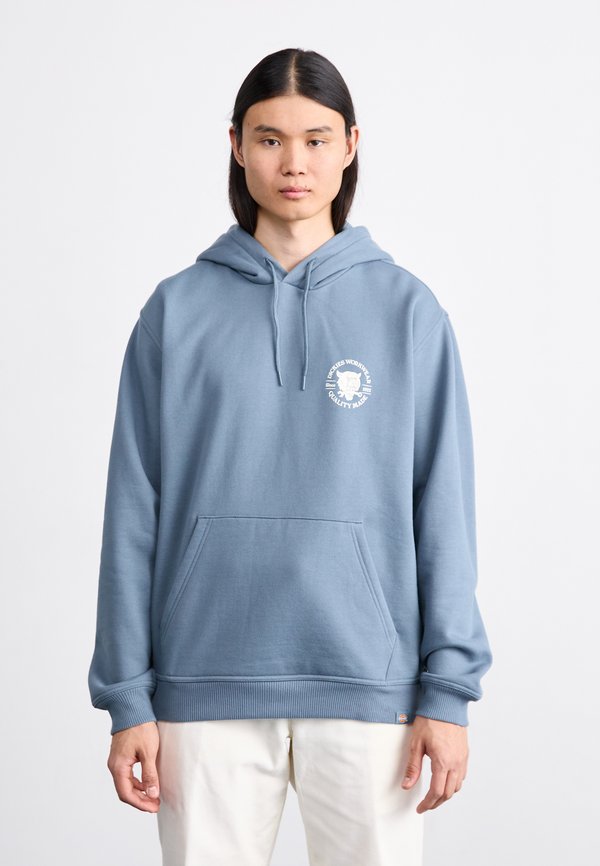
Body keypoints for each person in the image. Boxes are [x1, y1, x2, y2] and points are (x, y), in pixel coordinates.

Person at [88, 47, 493, 866]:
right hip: (203, 688)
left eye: (315, 139)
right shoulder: (176, 312)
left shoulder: (408, 313)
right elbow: (133, 511)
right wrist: (127, 696)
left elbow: (443, 510)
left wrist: (447, 692)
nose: (294, 163)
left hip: (371, 688)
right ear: (237, 147)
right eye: (271, 139)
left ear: (350, 145)